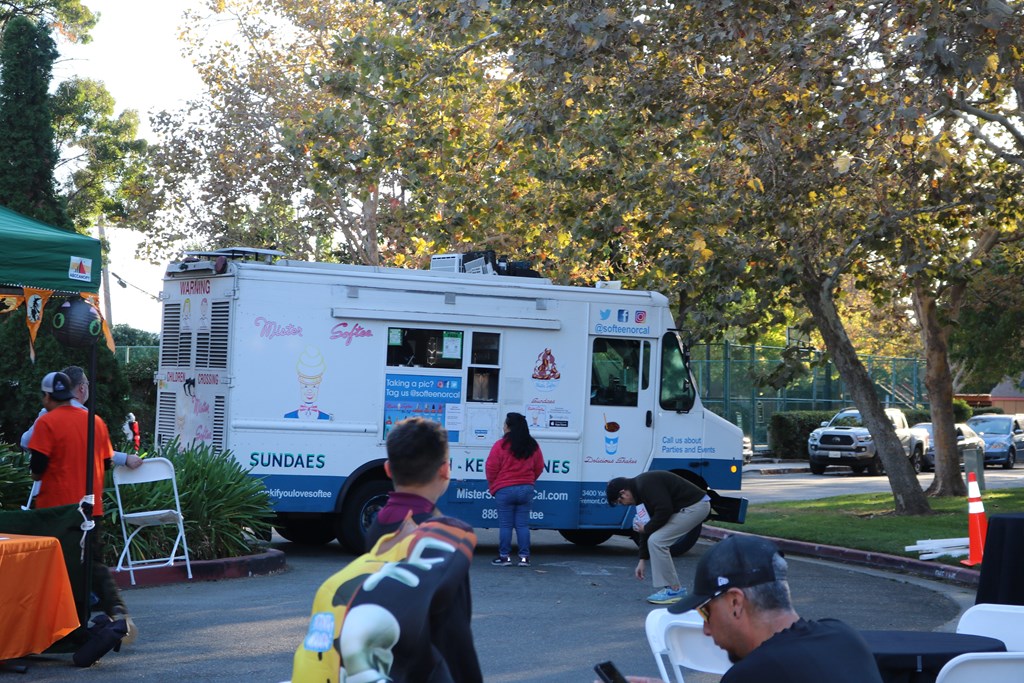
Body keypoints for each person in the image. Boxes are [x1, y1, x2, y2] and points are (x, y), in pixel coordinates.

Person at [293, 417, 482, 683]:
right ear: (445, 470)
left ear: (388, 469)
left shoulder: (378, 523)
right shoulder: (443, 541)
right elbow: (454, 636)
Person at [606, 535, 884, 683]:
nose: (705, 629)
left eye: (705, 612)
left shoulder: (756, 672)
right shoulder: (842, 636)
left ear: (735, 602)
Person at [27, 371, 138, 644]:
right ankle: (117, 611)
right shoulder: (96, 421)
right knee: (91, 564)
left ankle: (66, 629)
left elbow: (38, 469)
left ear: (49, 396)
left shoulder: (46, 422)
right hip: (91, 507)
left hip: (56, 510)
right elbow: (106, 462)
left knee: (59, 570)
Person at [606, 471, 711, 604]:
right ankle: (673, 589)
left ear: (623, 492)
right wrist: (642, 559)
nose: (624, 504)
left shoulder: (645, 483)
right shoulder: (639, 497)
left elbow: (664, 510)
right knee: (656, 540)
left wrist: (647, 528)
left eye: (620, 500)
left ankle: (673, 590)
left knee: (657, 541)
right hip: (687, 507)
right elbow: (644, 527)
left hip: (696, 506)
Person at [22, 365, 144, 470]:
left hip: (48, 490)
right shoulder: (89, 419)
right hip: (80, 491)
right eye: (87, 384)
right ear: (82, 387)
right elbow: (97, 452)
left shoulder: (47, 413)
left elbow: (26, 441)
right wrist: (126, 459)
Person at [485, 412, 545, 567]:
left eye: (505, 425)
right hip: (526, 489)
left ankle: (504, 557)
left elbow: (491, 467)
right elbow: (539, 467)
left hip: (504, 489)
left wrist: (494, 485)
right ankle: (524, 558)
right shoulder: (532, 445)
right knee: (522, 525)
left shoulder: (500, 445)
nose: (503, 427)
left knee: (506, 525)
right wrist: (529, 481)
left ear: (508, 427)